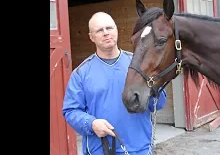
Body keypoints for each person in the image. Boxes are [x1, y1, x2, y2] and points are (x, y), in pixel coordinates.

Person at [62, 12, 167, 155]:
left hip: (140, 149)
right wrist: (91, 124)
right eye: (99, 30)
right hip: (100, 150)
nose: (106, 33)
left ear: (116, 30)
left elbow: (158, 104)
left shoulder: (139, 64)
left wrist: (155, 86)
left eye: (109, 28)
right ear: (91, 37)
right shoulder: (81, 73)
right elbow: (71, 111)